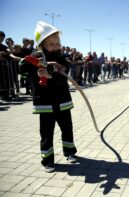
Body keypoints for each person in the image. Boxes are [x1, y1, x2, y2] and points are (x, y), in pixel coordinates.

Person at [20, 21, 78, 173]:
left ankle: (70, 152)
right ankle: (47, 160)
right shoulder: (36, 56)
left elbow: (64, 75)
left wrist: (50, 74)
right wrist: (32, 60)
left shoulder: (61, 59)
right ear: (42, 45)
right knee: (46, 133)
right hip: (44, 103)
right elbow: (21, 67)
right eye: (51, 44)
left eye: (58, 42)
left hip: (62, 101)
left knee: (67, 128)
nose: (56, 46)